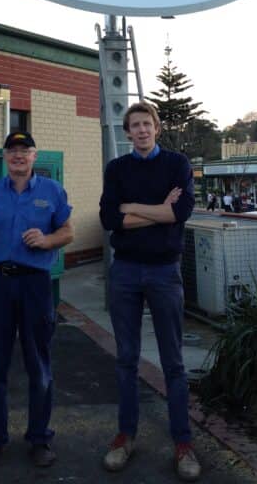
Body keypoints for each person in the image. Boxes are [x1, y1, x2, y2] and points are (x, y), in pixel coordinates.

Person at [99, 101, 201, 482]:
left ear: (157, 128)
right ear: (127, 133)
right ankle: (125, 436)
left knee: (173, 362)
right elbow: (110, 219)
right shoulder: (117, 169)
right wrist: (157, 209)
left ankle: (183, 442)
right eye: (134, 125)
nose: (141, 130)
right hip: (124, 271)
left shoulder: (176, 164)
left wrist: (135, 209)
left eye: (147, 124)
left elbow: (180, 213)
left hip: (164, 271)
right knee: (126, 358)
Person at [0, 131, 74, 471]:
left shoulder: (52, 191)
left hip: (35, 285)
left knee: (38, 366)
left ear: (34, 156)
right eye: (12, 150)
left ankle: (39, 439)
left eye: (24, 150)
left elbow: (68, 232)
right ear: (5, 157)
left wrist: (47, 239)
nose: (18, 156)